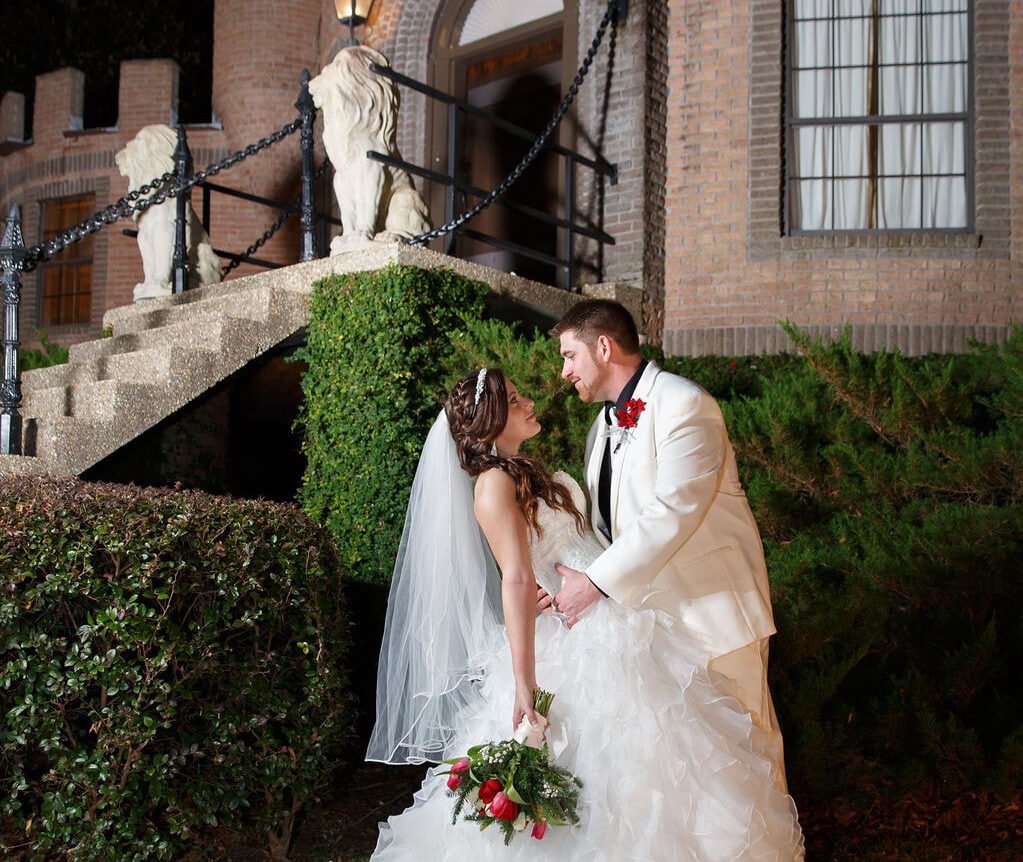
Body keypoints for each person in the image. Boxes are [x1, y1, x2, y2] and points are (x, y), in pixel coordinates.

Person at [365, 366, 804, 860]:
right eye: (515, 399)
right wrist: (524, 683)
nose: (530, 402)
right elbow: (515, 578)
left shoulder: (522, 471)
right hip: (583, 631)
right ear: (491, 421)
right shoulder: (492, 485)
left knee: (656, 765)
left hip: (617, 613)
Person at [546, 298, 788, 790]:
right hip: (654, 628)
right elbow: (606, 530)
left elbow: (676, 508)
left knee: (748, 761)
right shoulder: (600, 429)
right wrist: (555, 581)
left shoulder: (684, 403)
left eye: (570, 356)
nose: (565, 371)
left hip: (713, 618)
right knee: (691, 782)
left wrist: (594, 583)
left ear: (604, 347)